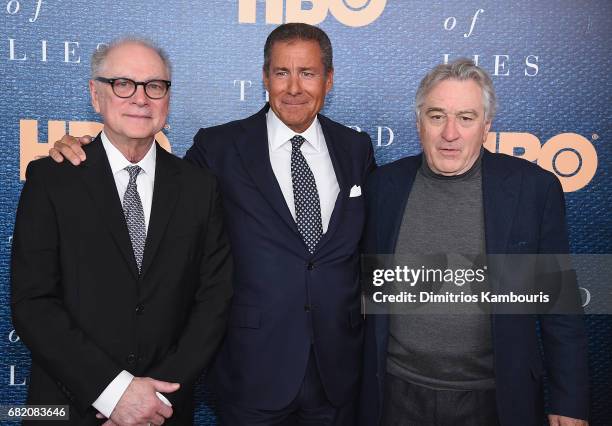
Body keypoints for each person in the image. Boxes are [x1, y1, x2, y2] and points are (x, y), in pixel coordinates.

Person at [49, 23, 375, 425]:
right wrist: (89, 153)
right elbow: (156, 197)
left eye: (307, 73)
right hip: (252, 373)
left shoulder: (356, 149)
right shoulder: (218, 148)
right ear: (264, 77)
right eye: (281, 73)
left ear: (329, 79)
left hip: (338, 373)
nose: (293, 87)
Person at [12, 38, 233, 426]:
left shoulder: (200, 188)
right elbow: (33, 303)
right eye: (123, 84)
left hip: (162, 411)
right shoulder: (51, 180)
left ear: (167, 98)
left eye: (155, 86)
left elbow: (212, 303)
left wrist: (153, 400)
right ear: (95, 95)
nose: (140, 98)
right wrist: (114, 394)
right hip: (69, 410)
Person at [358, 59, 589, 426]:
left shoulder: (533, 190)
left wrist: (569, 400)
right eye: (437, 116)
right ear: (419, 123)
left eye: (465, 118)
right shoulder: (383, 187)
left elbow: (559, 305)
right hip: (395, 395)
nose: (450, 132)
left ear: (486, 126)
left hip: (495, 399)